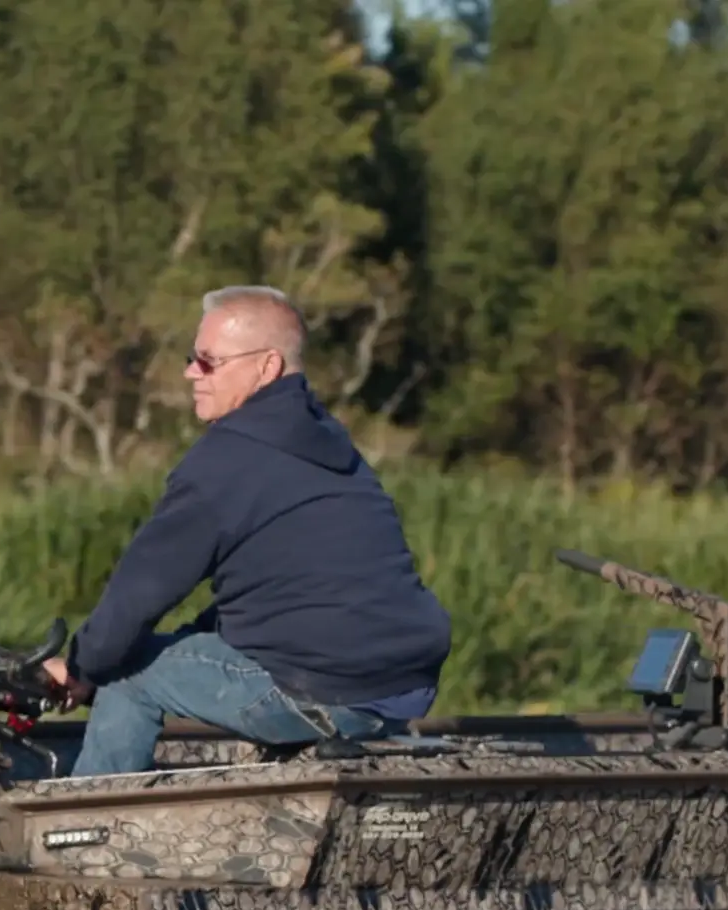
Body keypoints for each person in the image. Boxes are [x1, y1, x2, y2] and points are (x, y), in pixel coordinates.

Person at [42, 285, 451, 776]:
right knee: (140, 652)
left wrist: (83, 669)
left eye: (208, 361)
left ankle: (85, 831)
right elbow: (279, 591)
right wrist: (184, 640)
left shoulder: (226, 459)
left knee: (125, 671)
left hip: (325, 688)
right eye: (192, 357)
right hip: (398, 687)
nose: (190, 372)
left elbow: (141, 591)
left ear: (267, 367)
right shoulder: (327, 441)